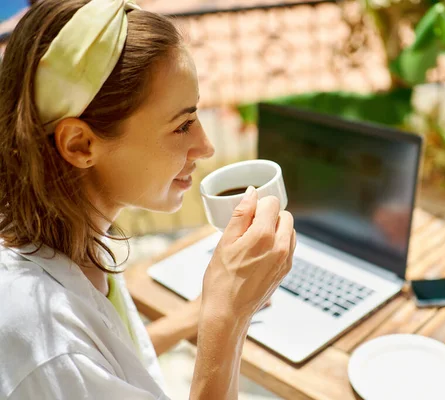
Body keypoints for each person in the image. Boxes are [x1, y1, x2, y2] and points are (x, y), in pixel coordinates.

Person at [0, 0, 296, 399]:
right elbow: (73, 363)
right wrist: (226, 317)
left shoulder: (69, 235)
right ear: (79, 144)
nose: (205, 147)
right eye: (182, 126)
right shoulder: (48, 348)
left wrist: (198, 312)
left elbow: (110, 364)